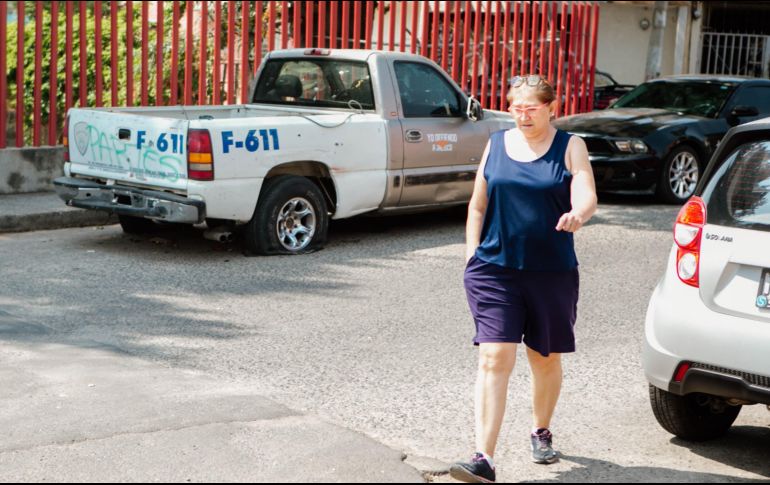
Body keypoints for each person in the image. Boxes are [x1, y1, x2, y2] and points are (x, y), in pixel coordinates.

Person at [450, 75, 597, 483]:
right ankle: (484, 458)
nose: (523, 113)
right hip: (495, 270)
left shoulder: (571, 146)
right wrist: (471, 253)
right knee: (494, 356)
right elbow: (478, 205)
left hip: (551, 271)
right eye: (516, 106)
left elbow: (587, 192)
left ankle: (540, 429)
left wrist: (578, 215)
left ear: (552, 107)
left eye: (532, 106)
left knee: (544, 358)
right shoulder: (496, 144)